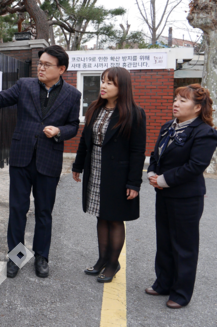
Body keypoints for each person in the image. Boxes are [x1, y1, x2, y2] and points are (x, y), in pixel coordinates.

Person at [0, 45, 81, 279]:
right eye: (40, 64)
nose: (41, 68)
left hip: (49, 160)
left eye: (47, 65)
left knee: (44, 212)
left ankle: (41, 257)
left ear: (61, 69)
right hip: (21, 157)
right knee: (18, 209)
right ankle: (15, 257)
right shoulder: (24, 85)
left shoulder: (72, 95)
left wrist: (59, 130)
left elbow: (74, 126)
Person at [145, 84, 217, 309]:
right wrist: (151, 172)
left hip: (186, 197)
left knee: (184, 246)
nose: (175, 103)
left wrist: (163, 180)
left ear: (197, 107)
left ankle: (180, 293)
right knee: (165, 241)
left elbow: (195, 166)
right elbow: (155, 153)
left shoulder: (205, 132)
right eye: (175, 99)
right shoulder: (168, 126)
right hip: (164, 194)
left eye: (182, 100)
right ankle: (163, 283)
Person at [72, 67, 146, 283]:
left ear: (122, 87)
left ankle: (113, 263)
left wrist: (134, 182)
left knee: (114, 218)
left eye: (110, 83)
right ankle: (102, 259)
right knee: (101, 215)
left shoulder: (134, 113)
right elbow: (85, 140)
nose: (103, 86)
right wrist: (78, 165)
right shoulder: (95, 108)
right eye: (103, 81)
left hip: (118, 174)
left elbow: (137, 151)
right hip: (95, 169)